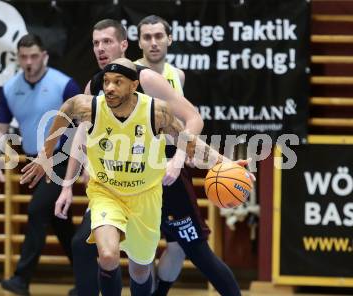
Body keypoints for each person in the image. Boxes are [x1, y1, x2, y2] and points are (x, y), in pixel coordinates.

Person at [20, 58, 235, 296]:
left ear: (134, 86)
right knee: (108, 255)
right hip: (106, 193)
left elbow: (189, 142)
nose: (109, 88)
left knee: (141, 271)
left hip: (145, 198)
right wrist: (45, 153)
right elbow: (66, 110)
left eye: (118, 82)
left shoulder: (156, 112)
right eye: (107, 82)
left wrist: (225, 163)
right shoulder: (90, 107)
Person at [63, 19, 205, 296]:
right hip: (108, 187)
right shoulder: (94, 86)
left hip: (148, 186)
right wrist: (67, 184)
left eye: (107, 41)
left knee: (142, 269)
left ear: (124, 45)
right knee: (91, 248)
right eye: (95, 43)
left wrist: (177, 157)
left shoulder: (148, 79)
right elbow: (80, 134)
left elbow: (193, 117)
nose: (101, 48)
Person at [135, 15, 241, 296]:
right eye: (147, 37)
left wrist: (218, 161)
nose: (153, 42)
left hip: (169, 168)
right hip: (139, 172)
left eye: (159, 36)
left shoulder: (176, 76)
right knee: (152, 251)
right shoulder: (135, 77)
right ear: (138, 42)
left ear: (170, 39)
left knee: (179, 246)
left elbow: (183, 127)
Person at [0, 33, 80, 296]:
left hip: (62, 159)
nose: (29, 62)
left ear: (45, 56)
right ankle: (89, 278)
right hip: (33, 163)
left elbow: (86, 125)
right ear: (18, 58)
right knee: (60, 222)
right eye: (24, 57)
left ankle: (21, 279)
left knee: (37, 211)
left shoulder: (65, 85)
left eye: (34, 56)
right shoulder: (9, 88)